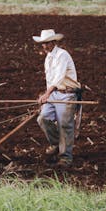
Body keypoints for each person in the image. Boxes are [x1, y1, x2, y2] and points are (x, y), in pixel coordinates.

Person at [33, 29, 81, 167]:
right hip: (54, 93)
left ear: (54, 42)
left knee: (65, 125)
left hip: (67, 94)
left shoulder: (62, 55)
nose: (45, 46)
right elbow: (50, 80)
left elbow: (59, 78)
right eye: (43, 43)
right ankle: (56, 144)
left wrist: (46, 94)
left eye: (47, 43)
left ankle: (66, 158)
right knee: (43, 118)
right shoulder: (48, 58)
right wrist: (46, 96)